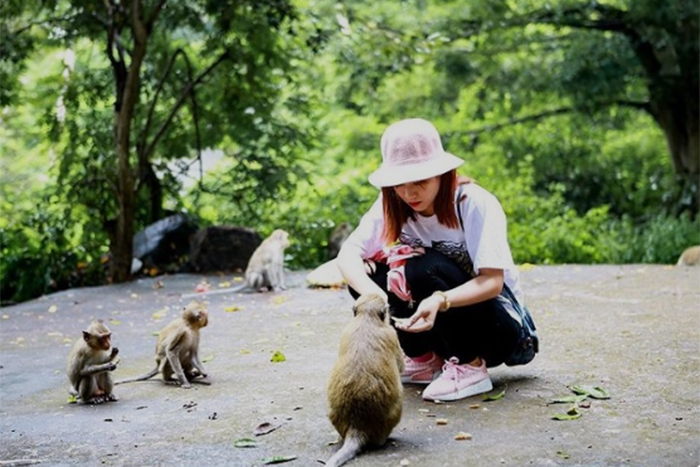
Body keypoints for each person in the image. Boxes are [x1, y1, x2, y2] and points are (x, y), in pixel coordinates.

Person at [337, 118, 528, 402]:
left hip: (499, 330)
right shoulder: (393, 204)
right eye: (399, 184)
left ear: (443, 174)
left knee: (421, 268)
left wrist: (441, 299)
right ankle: (422, 359)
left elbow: (492, 282)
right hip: (436, 325)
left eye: (420, 181)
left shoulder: (473, 203)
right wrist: (375, 293)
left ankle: (470, 365)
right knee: (374, 273)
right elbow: (348, 255)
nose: (409, 193)